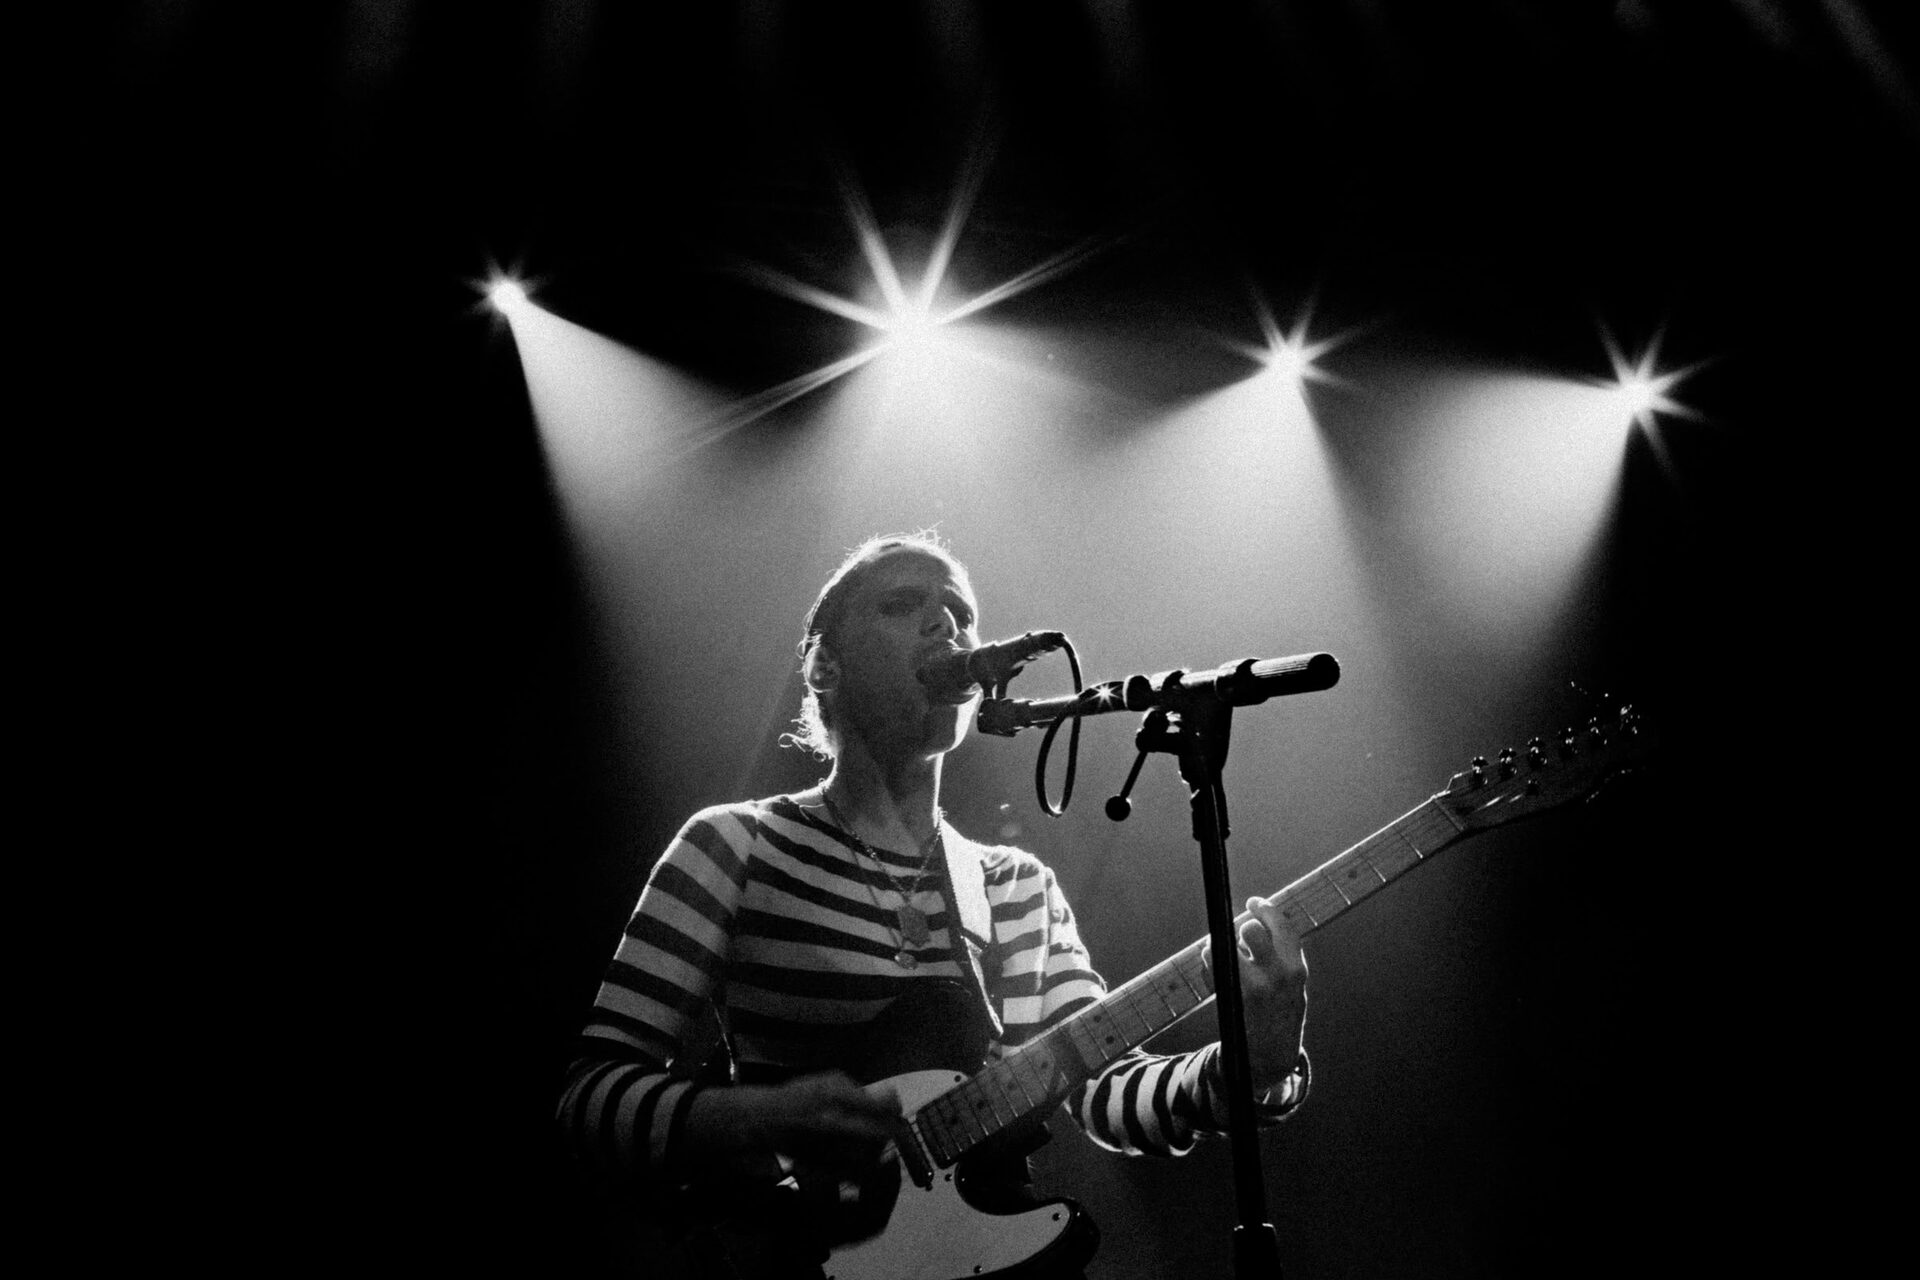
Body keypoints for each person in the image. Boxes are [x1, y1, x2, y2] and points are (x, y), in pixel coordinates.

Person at [557, 533, 1311, 1278]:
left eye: (959, 609)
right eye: (902, 604)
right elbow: (588, 1099)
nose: (945, 623)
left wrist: (1254, 1066)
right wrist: (750, 1116)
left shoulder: (1014, 885)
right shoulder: (737, 845)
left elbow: (1105, 1092)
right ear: (824, 666)